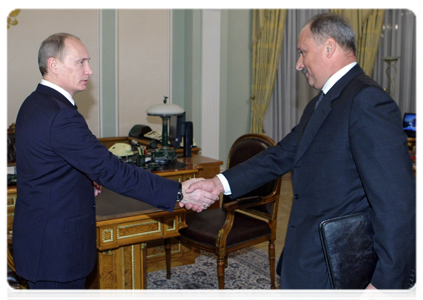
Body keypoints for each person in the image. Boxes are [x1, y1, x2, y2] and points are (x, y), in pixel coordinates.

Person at [186, 13, 419, 300]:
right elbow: (280, 155)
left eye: (302, 52)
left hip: (341, 267)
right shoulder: (320, 103)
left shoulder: (368, 101)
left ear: (329, 47)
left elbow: (397, 200)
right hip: (308, 256)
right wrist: (219, 184)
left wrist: (389, 281)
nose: (298, 64)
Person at [13, 33, 218, 300]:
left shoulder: (35, 103)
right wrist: (178, 192)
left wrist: (83, 181)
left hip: (41, 242)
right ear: (53, 65)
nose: (89, 70)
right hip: (55, 253)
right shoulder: (60, 115)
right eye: (81, 62)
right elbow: (112, 170)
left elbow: (50, 168)